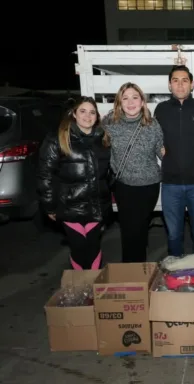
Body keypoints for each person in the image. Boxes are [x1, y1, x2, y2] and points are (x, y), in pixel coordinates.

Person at [37, 97, 111, 270]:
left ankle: (93, 289)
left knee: (93, 249)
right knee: (79, 249)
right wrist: (49, 207)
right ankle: (80, 289)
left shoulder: (103, 140)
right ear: (74, 114)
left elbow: (108, 173)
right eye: (83, 111)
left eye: (92, 112)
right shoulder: (57, 138)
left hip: (96, 207)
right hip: (70, 208)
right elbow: (45, 175)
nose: (87, 116)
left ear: (97, 117)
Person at [154, 65, 194, 256]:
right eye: (175, 80)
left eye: (185, 80)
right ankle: (174, 275)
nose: (180, 85)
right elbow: (153, 138)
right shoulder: (161, 110)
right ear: (169, 85)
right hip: (171, 184)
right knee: (173, 235)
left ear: (192, 84)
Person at [103, 82, 164, 263]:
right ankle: (132, 270)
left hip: (148, 186)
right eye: (125, 98)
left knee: (139, 228)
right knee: (129, 230)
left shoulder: (152, 125)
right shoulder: (109, 124)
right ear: (119, 103)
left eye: (135, 97)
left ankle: (137, 270)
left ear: (142, 102)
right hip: (124, 186)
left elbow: (161, 150)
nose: (131, 102)